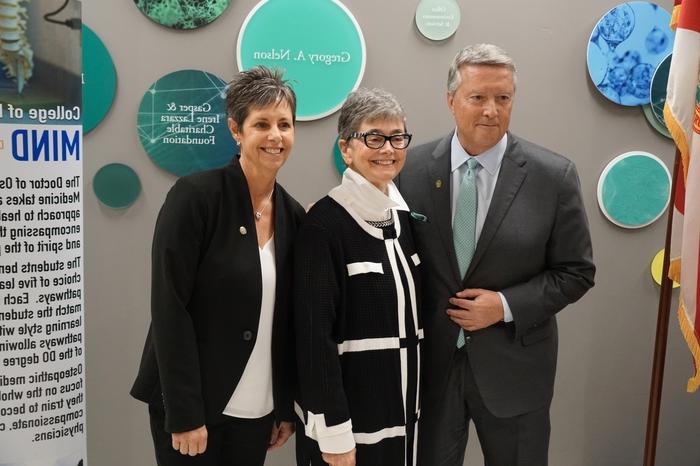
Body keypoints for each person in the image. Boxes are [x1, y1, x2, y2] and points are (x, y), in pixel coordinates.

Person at [397, 44, 596, 466]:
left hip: (517, 373)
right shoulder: (408, 171)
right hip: (430, 370)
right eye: (478, 97)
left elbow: (576, 272)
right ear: (451, 100)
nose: (491, 110)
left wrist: (504, 306)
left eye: (502, 98)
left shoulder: (553, 176)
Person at [130, 66, 305, 466]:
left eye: (285, 124)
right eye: (262, 124)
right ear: (236, 130)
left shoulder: (294, 217)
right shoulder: (196, 198)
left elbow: (286, 322)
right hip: (195, 409)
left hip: (256, 412)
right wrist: (186, 413)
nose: (276, 136)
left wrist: (281, 406)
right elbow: (168, 308)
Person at [294, 88, 422, 466]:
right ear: (346, 148)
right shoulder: (323, 226)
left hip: (402, 425)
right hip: (348, 432)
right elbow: (314, 339)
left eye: (397, 137)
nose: (388, 148)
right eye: (373, 137)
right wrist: (334, 433)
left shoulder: (404, 221)